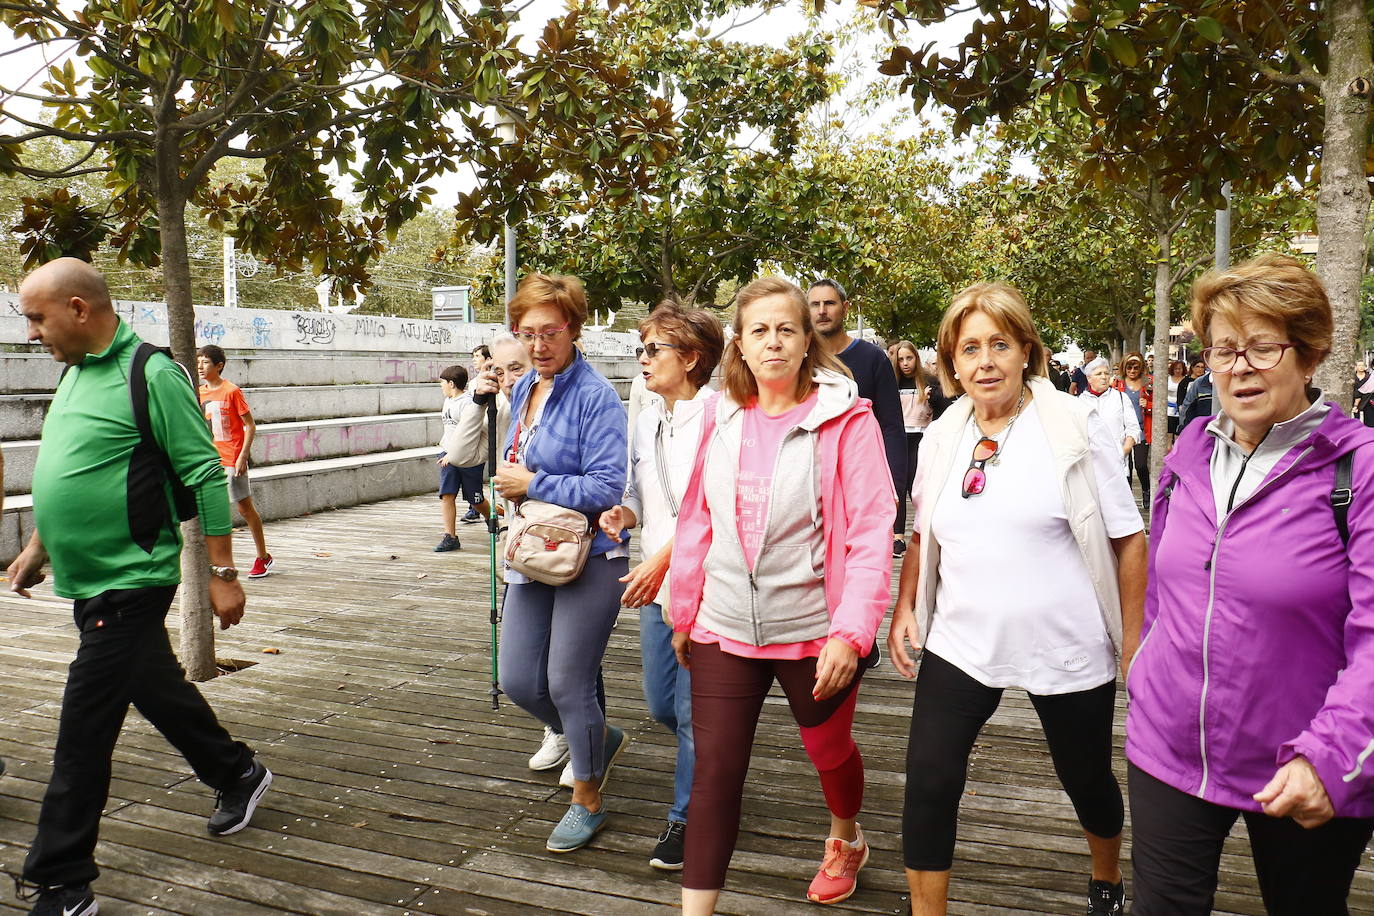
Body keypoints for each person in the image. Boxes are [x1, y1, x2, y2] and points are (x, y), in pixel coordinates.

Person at [8, 259, 271, 916]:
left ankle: (63, 882)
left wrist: (221, 572)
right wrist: (40, 547)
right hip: (88, 578)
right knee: (154, 687)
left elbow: (205, 475)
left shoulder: (150, 373)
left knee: (82, 730)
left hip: (134, 578)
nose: (32, 334)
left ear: (77, 308)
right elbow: (74, 470)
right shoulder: (72, 376)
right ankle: (237, 772)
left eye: (37, 318)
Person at [888, 282, 1146, 916]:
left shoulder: (1074, 428)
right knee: (929, 780)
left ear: (1026, 349)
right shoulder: (945, 433)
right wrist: (904, 606)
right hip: (961, 640)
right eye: (968, 348)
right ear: (950, 362)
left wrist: (1135, 644)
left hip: (1067, 642)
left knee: (1085, 778)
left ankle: (1106, 875)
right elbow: (923, 531)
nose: (984, 362)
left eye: (999, 344)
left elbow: (1130, 541)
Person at [1126, 253, 1374, 915]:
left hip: (1301, 764)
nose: (1239, 366)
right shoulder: (1189, 453)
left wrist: (1332, 756)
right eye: (1224, 347)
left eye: (1263, 346)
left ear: (1311, 351)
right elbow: (1165, 592)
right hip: (1169, 749)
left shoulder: (1360, 471)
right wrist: (1144, 673)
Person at [670, 276, 895, 910]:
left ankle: (846, 838)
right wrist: (684, 609)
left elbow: (874, 531)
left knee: (828, 751)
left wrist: (851, 634)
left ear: (807, 341)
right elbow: (696, 519)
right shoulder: (719, 415)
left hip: (813, 629)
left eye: (786, 329)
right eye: (759, 330)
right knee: (714, 776)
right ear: (740, 344)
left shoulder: (846, 420)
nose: (773, 342)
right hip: (724, 626)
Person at [493, 273, 630, 854]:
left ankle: (587, 799)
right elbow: (515, 455)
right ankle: (596, 735)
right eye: (528, 333)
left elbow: (606, 486)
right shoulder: (527, 389)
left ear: (573, 328)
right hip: (534, 550)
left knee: (569, 682)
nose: (539, 344)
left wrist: (533, 482)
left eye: (550, 332)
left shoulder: (595, 396)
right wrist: (511, 480)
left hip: (590, 554)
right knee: (520, 681)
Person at [596, 302, 724, 871]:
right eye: (641, 349)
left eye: (654, 350)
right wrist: (625, 513)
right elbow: (643, 493)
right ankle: (717, 766)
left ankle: (688, 818)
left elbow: (717, 512)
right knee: (660, 705)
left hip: (709, 583)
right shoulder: (647, 418)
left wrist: (665, 563)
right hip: (657, 582)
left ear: (692, 358)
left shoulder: (726, 419)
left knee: (694, 714)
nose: (643, 360)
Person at [807, 278, 906, 557]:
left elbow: (891, 428)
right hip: (810, 484)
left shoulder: (873, 359)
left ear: (845, 308)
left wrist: (894, 488)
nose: (822, 311)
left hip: (862, 481)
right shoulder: (800, 361)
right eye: (815, 304)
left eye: (829, 303)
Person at [196, 345, 273, 578]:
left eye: (206, 362)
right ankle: (211, 561)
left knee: (244, 508)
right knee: (207, 510)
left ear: (219, 366)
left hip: (232, 458)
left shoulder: (232, 391)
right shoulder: (198, 392)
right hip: (210, 459)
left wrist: (242, 456)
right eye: (198, 361)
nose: (200, 366)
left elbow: (250, 425)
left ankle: (263, 556)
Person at [892, 340, 932, 556]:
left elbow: (943, 409)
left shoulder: (928, 381)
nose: (905, 363)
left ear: (916, 358)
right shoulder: (891, 382)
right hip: (899, 438)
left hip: (921, 438)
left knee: (918, 488)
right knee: (898, 488)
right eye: (901, 359)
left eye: (909, 358)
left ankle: (923, 532)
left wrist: (932, 398)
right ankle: (898, 537)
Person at [1080, 357, 1141, 477]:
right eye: (1098, 374)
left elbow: (1133, 429)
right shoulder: (1080, 402)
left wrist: (1123, 452)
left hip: (1117, 465)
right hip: (1091, 467)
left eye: (1106, 373)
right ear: (1089, 378)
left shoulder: (1121, 398)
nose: (1104, 377)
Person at [1115, 352, 1153, 503]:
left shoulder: (1149, 383)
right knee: (1125, 466)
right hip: (1122, 430)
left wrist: (1148, 405)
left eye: (1136, 367)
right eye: (1129, 367)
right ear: (1124, 367)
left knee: (1141, 465)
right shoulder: (1117, 383)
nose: (1132, 371)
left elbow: (1160, 405)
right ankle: (1127, 497)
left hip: (1142, 430)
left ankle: (1146, 489)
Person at [1178, 358, 1215, 431]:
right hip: (1201, 430)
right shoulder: (1198, 383)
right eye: (1197, 367)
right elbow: (1187, 405)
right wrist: (1185, 428)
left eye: (1202, 367)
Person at [1166, 359, 1188, 439]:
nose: (1178, 371)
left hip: (1182, 410)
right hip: (1169, 410)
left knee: (1178, 434)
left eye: (1180, 368)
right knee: (1169, 434)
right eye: (1176, 368)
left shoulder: (1186, 380)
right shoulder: (1167, 379)